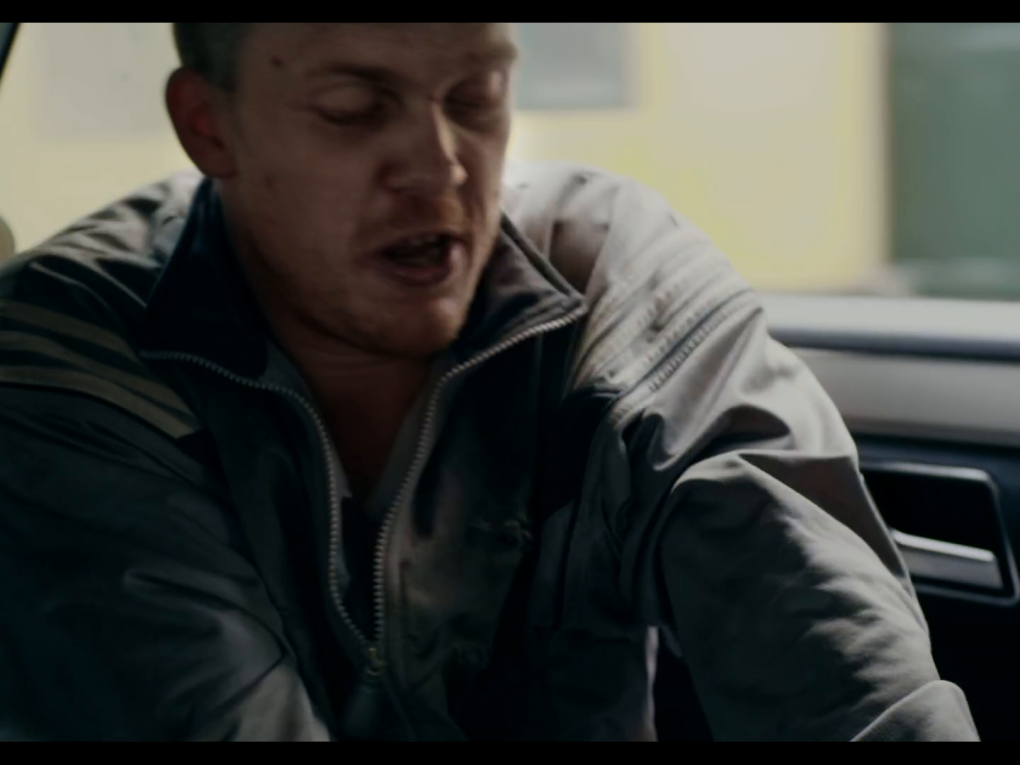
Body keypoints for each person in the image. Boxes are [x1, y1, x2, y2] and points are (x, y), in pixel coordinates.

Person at [0, 23, 979, 741]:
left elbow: (844, 669)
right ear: (208, 126)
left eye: (476, 97)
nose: (441, 169)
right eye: (354, 110)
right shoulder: (73, 352)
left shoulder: (618, 283)